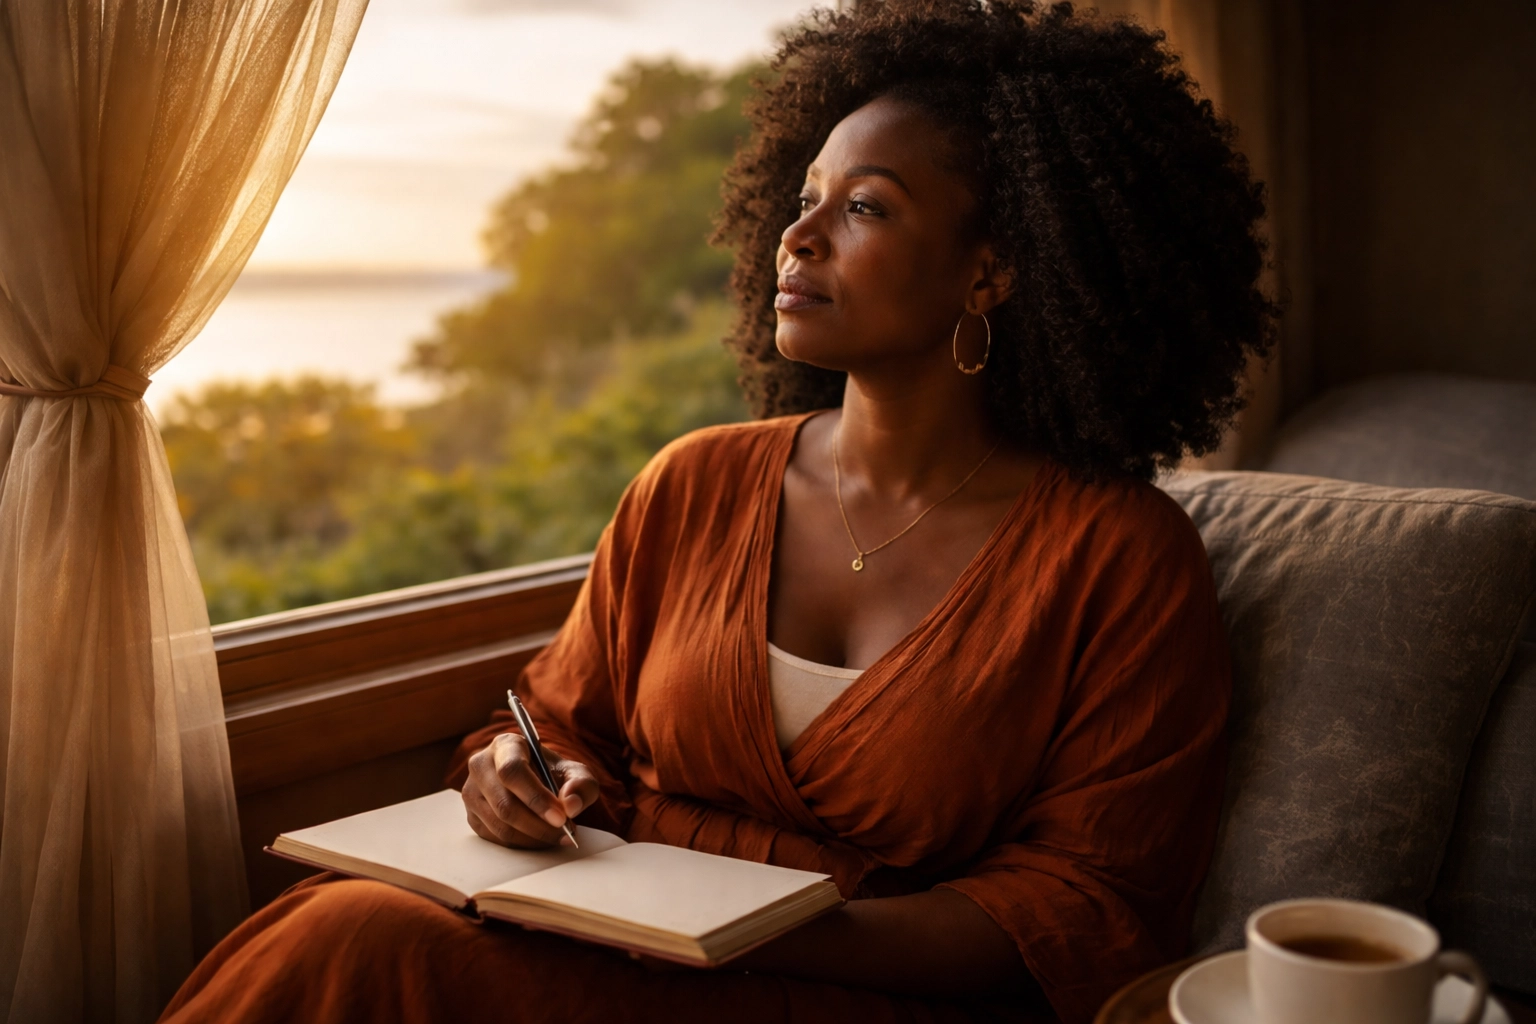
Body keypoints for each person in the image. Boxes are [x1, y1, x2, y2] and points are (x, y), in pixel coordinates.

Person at [161, 2, 1276, 1022]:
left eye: (865, 208)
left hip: (860, 992)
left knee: (365, 949)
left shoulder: (1120, 559)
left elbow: (1083, 907)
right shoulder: (695, 484)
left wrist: (740, 933)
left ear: (990, 275)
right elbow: (556, 723)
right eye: (804, 203)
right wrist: (518, 772)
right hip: (613, 949)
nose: (800, 237)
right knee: (351, 924)